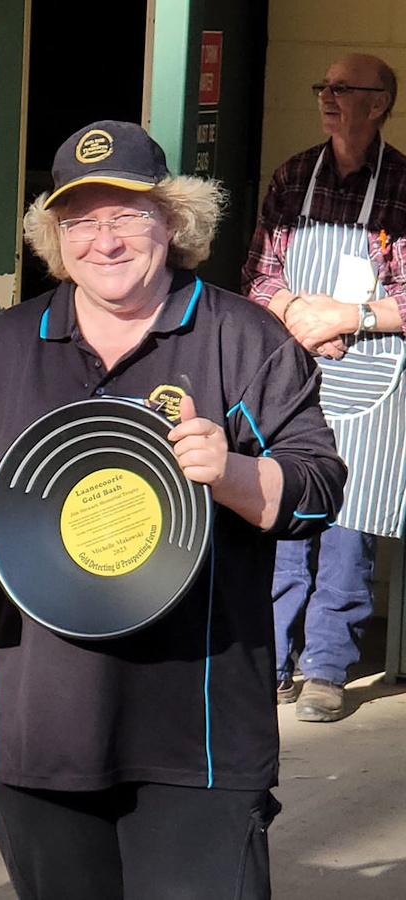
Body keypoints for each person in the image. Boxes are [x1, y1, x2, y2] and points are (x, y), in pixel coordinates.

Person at [0, 120, 346, 900]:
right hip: (43, 725)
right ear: (54, 237)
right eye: (80, 221)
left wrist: (233, 472)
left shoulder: (244, 339)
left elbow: (318, 487)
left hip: (199, 733)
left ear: (174, 220)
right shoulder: (10, 346)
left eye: (127, 215)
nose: (104, 242)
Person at [242, 53, 406, 723]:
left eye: (344, 89)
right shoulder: (291, 177)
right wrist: (297, 315)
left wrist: (350, 317)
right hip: (297, 367)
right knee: (284, 513)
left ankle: (328, 668)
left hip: (370, 380)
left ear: (380, 104)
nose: (328, 97)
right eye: (323, 86)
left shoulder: (402, 185)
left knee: (346, 526)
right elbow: (257, 274)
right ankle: (269, 662)